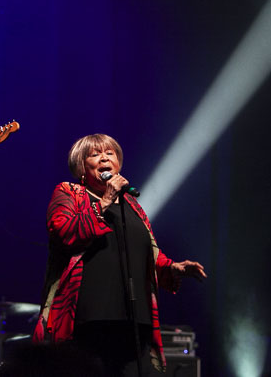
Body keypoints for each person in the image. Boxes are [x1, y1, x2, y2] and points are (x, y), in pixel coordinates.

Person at [33, 133, 207, 376]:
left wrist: (172, 268)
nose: (104, 157)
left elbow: (148, 251)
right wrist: (104, 201)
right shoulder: (69, 192)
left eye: (109, 153)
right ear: (82, 167)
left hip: (135, 319)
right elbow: (64, 233)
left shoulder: (132, 206)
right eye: (95, 154)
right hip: (90, 318)